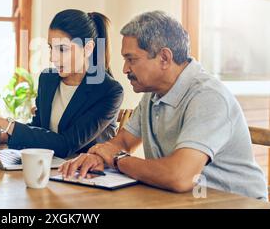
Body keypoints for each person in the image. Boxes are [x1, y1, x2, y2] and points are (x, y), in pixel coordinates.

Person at [59, 10, 268, 200]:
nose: (124, 69)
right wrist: (99, 156)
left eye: (131, 59)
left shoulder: (208, 97)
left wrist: (117, 159)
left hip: (237, 204)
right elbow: (123, 141)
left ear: (165, 58)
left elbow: (179, 176)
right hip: (187, 201)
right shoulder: (153, 94)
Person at [0, 9, 124, 158]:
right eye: (51, 48)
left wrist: (7, 124)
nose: (53, 58)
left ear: (87, 48)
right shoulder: (48, 79)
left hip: (86, 175)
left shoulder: (109, 91)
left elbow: (67, 145)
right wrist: (6, 136)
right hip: (48, 166)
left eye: (62, 49)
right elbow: (39, 129)